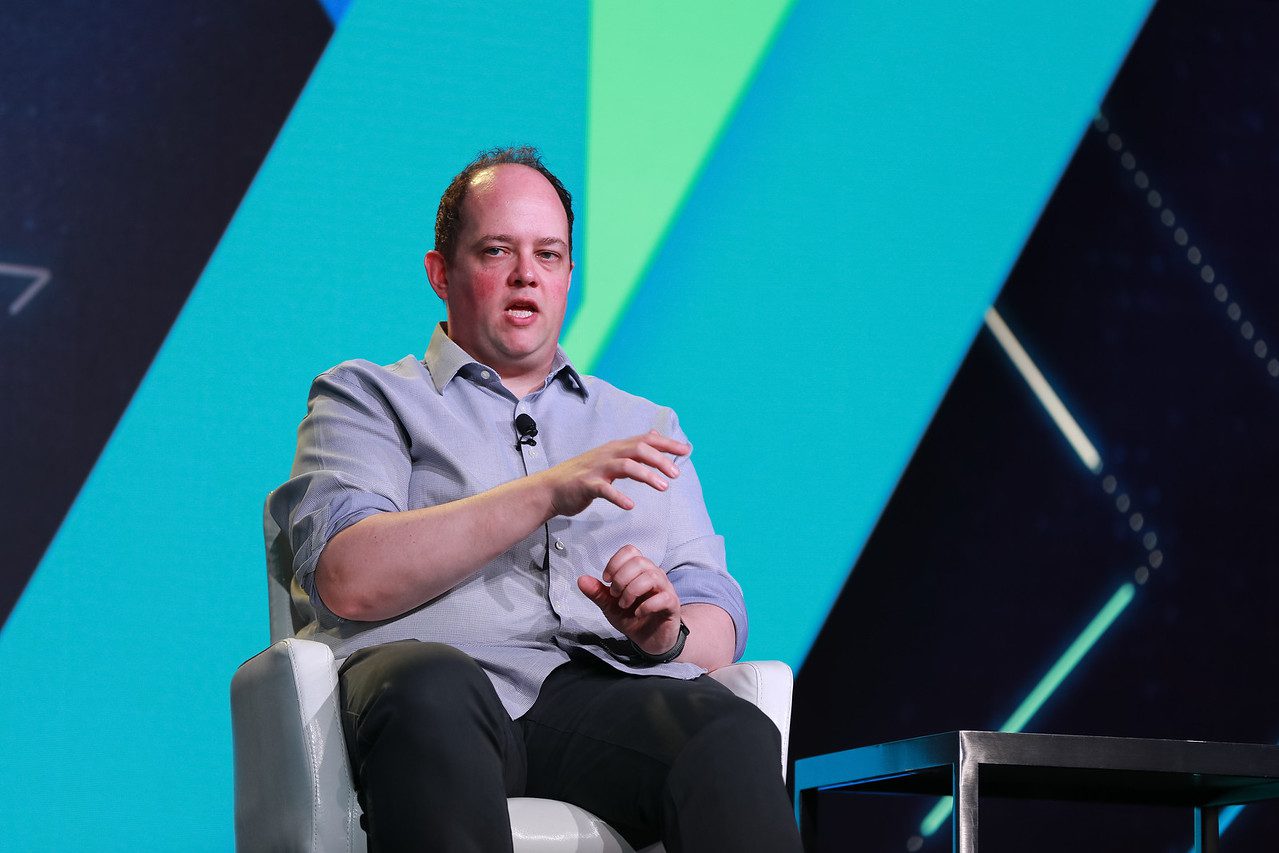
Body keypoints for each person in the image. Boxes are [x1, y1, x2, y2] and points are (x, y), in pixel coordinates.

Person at [268, 146, 802, 852]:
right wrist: (546, 490)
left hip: (588, 699)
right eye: (496, 250)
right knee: (430, 682)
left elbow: (714, 610)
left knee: (728, 728)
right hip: (428, 690)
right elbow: (347, 578)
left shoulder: (642, 426)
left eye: (548, 255)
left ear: (569, 276)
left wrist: (662, 632)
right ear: (440, 272)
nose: (526, 275)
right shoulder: (366, 396)